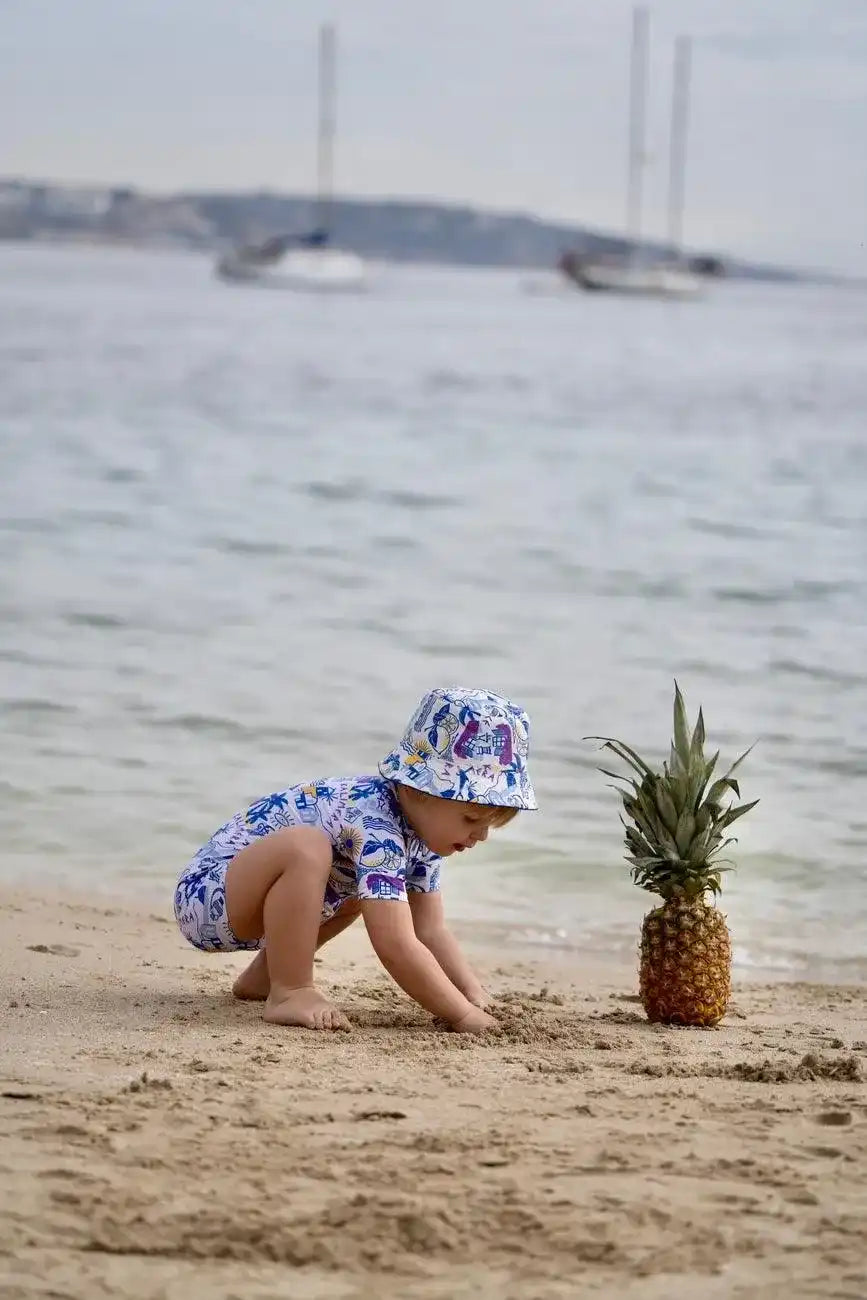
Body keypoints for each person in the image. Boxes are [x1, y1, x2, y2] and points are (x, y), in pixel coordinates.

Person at [174, 686, 536, 1033]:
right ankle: (291, 990)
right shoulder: (374, 821)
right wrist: (461, 1016)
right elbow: (395, 943)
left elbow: (429, 931)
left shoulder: (421, 838)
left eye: (490, 824)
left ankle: (266, 978)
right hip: (210, 895)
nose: (481, 835)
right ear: (418, 789)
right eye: (471, 819)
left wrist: (472, 994)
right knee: (308, 847)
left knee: (360, 894)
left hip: (255, 904)